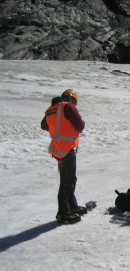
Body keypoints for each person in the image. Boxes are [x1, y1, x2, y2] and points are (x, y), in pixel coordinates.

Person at [41, 89, 87, 223]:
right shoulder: (68, 106)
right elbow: (80, 126)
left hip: (57, 149)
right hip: (67, 149)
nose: (74, 104)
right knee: (67, 182)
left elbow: (44, 125)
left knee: (69, 179)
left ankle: (72, 206)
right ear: (72, 99)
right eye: (75, 102)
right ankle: (63, 213)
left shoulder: (51, 109)